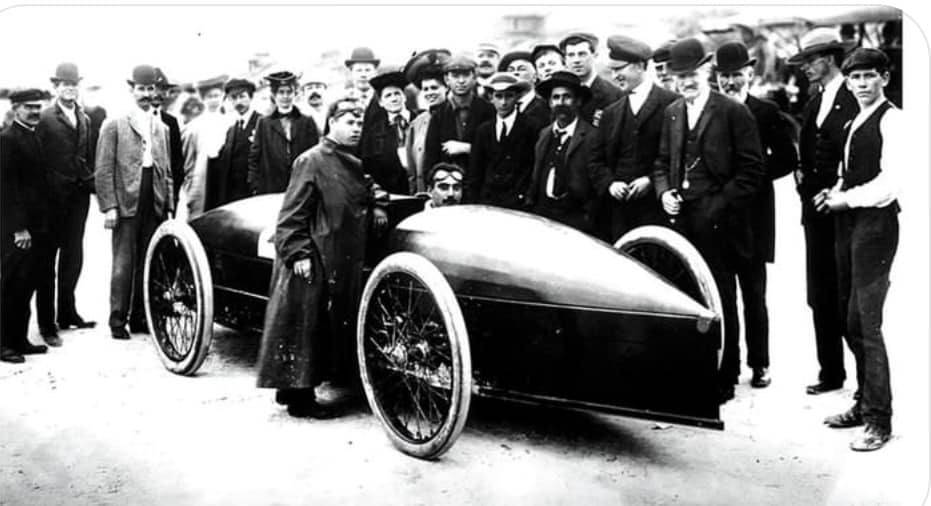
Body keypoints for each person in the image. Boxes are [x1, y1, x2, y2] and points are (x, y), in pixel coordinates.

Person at [256, 97, 387, 418]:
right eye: (349, 122)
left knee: (313, 326)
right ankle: (301, 400)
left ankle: (290, 390)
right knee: (304, 326)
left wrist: (380, 204)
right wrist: (298, 252)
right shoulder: (311, 160)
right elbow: (290, 215)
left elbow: (368, 187)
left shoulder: (348, 161)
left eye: (359, 123)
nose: (356, 128)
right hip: (310, 257)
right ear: (332, 123)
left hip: (334, 258)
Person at [652, 38, 764, 404]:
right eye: (680, 75)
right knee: (688, 295)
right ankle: (697, 368)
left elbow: (751, 171)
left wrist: (718, 206)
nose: (686, 81)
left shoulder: (733, 112)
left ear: (706, 72)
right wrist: (664, 191)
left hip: (721, 224)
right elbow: (661, 162)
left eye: (693, 73)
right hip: (682, 220)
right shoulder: (672, 112)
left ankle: (726, 374)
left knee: (722, 297)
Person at [817, 48, 901, 452]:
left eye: (869, 76)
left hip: (876, 227)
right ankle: (862, 403)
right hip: (849, 224)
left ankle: (878, 421)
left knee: (867, 325)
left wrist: (845, 200)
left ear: (885, 77)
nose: (862, 84)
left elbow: (890, 185)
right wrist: (834, 191)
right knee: (850, 321)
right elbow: (847, 171)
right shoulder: (856, 119)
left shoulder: (895, 121)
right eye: (855, 78)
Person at [714, 41, 799, 389]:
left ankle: (760, 363)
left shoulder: (765, 112)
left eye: (736, 75)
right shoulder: (712, 110)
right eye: (724, 76)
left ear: (749, 73)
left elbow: (787, 159)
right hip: (720, 217)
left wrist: (754, 175)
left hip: (754, 219)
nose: (730, 82)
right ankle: (729, 365)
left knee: (754, 296)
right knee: (724, 298)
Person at [788, 28, 859, 395]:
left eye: (808, 61)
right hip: (814, 215)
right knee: (819, 295)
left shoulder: (854, 97)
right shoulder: (814, 101)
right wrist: (805, 183)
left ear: (828, 59)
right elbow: (806, 157)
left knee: (849, 298)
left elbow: (861, 155)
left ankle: (866, 382)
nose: (804, 69)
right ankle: (831, 372)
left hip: (845, 213)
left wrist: (838, 190)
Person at [94, 65, 174, 340]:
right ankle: (118, 320)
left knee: (149, 260)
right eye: (141, 89)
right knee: (123, 263)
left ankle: (141, 317)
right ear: (132, 90)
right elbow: (103, 169)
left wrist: (169, 205)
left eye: (150, 88)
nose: (146, 94)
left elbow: (167, 170)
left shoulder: (161, 127)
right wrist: (110, 207)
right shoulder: (115, 124)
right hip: (127, 200)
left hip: (154, 199)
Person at [589, 35, 678, 242]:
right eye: (612, 70)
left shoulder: (672, 104)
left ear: (639, 66)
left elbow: (677, 156)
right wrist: (610, 184)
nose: (615, 76)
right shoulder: (611, 112)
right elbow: (595, 160)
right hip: (619, 213)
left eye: (620, 69)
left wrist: (649, 180)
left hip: (658, 210)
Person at [35, 63, 97, 340]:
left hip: (78, 199)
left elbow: (86, 157)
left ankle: (67, 313)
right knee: (47, 261)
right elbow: (37, 160)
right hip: (51, 202)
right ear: (56, 87)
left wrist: (88, 181)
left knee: (73, 256)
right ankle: (47, 325)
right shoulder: (45, 118)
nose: (69, 88)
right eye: (64, 84)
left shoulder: (84, 118)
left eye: (73, 84)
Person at [1, 89, 53, 362]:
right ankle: (3, 343)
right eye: (29, 107)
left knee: (26, 285)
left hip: (36, 227)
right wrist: (18, 228)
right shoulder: (7, 140)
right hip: (17, 230)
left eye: (38, 107)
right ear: (16, 109)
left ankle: (19, 339)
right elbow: (7, 189)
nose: (35, 111)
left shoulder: (33, 135)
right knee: (11, 287)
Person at [526, 71, 596, 232]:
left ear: (578, 101)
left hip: (576, 220)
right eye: (555, 98)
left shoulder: (591, 136)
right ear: (550, 102)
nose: (560, 102)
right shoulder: (544, 134)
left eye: (567, 97)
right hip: (543, 216)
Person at [466, 73, 536, 209]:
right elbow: (476, 171)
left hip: (519, 204)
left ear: (517, 97)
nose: (503, 102)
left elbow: (533, 168)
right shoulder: (483, 130)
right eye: (498, 96)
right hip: (488, 203)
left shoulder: (531, 127)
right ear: (491, 98)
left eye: (509, 96)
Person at [247, 71, 320, 195]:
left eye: (289, 92)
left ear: (295, 93)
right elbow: (255, 156)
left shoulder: (307, 121)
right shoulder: (264, 123)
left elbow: (315, 154)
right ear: (274, 95)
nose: (285, 96)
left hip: (302, 183)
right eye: (281, 92)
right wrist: (255, 184)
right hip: (272, 185)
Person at [422, 55, 496, 175]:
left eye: (466, 75)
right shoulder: (439, 115)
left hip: (482, 183)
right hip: (449, 185)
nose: (461, 81)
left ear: (474, 77)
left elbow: (497, 151)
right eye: (455, 76)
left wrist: (468, 148)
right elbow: (431, 158)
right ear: (447, 80)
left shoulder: (489, 110)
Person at [178, 75, 232, 219]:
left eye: (217, 95)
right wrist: (190, 187)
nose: (214, 100)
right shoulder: (193, 127)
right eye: (210, 96)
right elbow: (187, 161)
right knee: (201, 219)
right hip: (203, 178)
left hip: (225, 179)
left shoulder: (230, 122)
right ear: (203, 99)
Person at [205, 78, 259, 209]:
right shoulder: (231, 130)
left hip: (254, 196)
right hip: (233, 198)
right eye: (233, 98)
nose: (238, 102)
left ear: (251, 98)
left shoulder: (263, 123)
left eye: (242, 96)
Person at [359, 68, 415, 195]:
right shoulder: (373, 133)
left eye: (397, 94)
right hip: (392, 195)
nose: (394, 99)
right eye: (388, 96)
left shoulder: (420, 121)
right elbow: (368, 167)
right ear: (381, 102)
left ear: (404, 96)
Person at [403, 49, 450, 193]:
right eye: (426, 89)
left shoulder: (455, 116)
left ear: (447, 87)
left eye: (434, 88)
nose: (430, 93)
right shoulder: (417, 124)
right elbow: (412, 168)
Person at [559, 32, 623, 127]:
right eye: (571, 55)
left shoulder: (614, 95)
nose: (576, 60)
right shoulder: (559, 94)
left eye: (582, 54)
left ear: (595, 56)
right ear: (565, 59)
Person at [153, 68, 184, 205]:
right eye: (153, 89)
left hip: (165, 195)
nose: (157, 94)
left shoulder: (171, 122)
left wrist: (173, 195)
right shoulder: (131, 120)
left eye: (161, 89)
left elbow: (177, 162)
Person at [499, 50, 549, 134]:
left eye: (522, 69)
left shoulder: (545, 108)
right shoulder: (498, 107)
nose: (515, 73)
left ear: (535, 76)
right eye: (511, 70)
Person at [344, 47, 379, 111]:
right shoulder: (343, 102)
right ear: (351, 73)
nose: (363, 75)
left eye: (368, 70)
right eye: (359, 70)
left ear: (375, 73)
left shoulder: (384, 100)